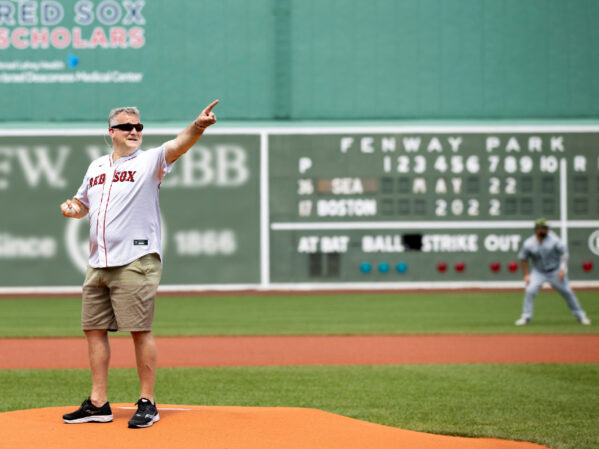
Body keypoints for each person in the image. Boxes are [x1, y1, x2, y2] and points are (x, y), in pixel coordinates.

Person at [59, 100, 219, 428]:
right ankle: (99, 403)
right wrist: (72, 208)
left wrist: (198, 126)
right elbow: (82, 204)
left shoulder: (149, 161)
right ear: (111, 132)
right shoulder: (96, 168)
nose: (135, 131)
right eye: (127, 126)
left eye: (138, 127)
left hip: (136, 258)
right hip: (98, 262)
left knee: (139, 330)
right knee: (93, 329)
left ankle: (148, 402)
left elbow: (178, 145)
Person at [515, 218, 591, 326]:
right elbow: (523, 258)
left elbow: (564, 253)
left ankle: (581, 316)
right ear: (537, 229)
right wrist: (526, 274)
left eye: (546, 228)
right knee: (530, 290)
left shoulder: (554, 240)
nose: (546, 230)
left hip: (554, 271)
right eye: (544, 228)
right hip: (538, 272)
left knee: (567, 292)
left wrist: (562, 269)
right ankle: (526, 317)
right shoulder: (529, 243)